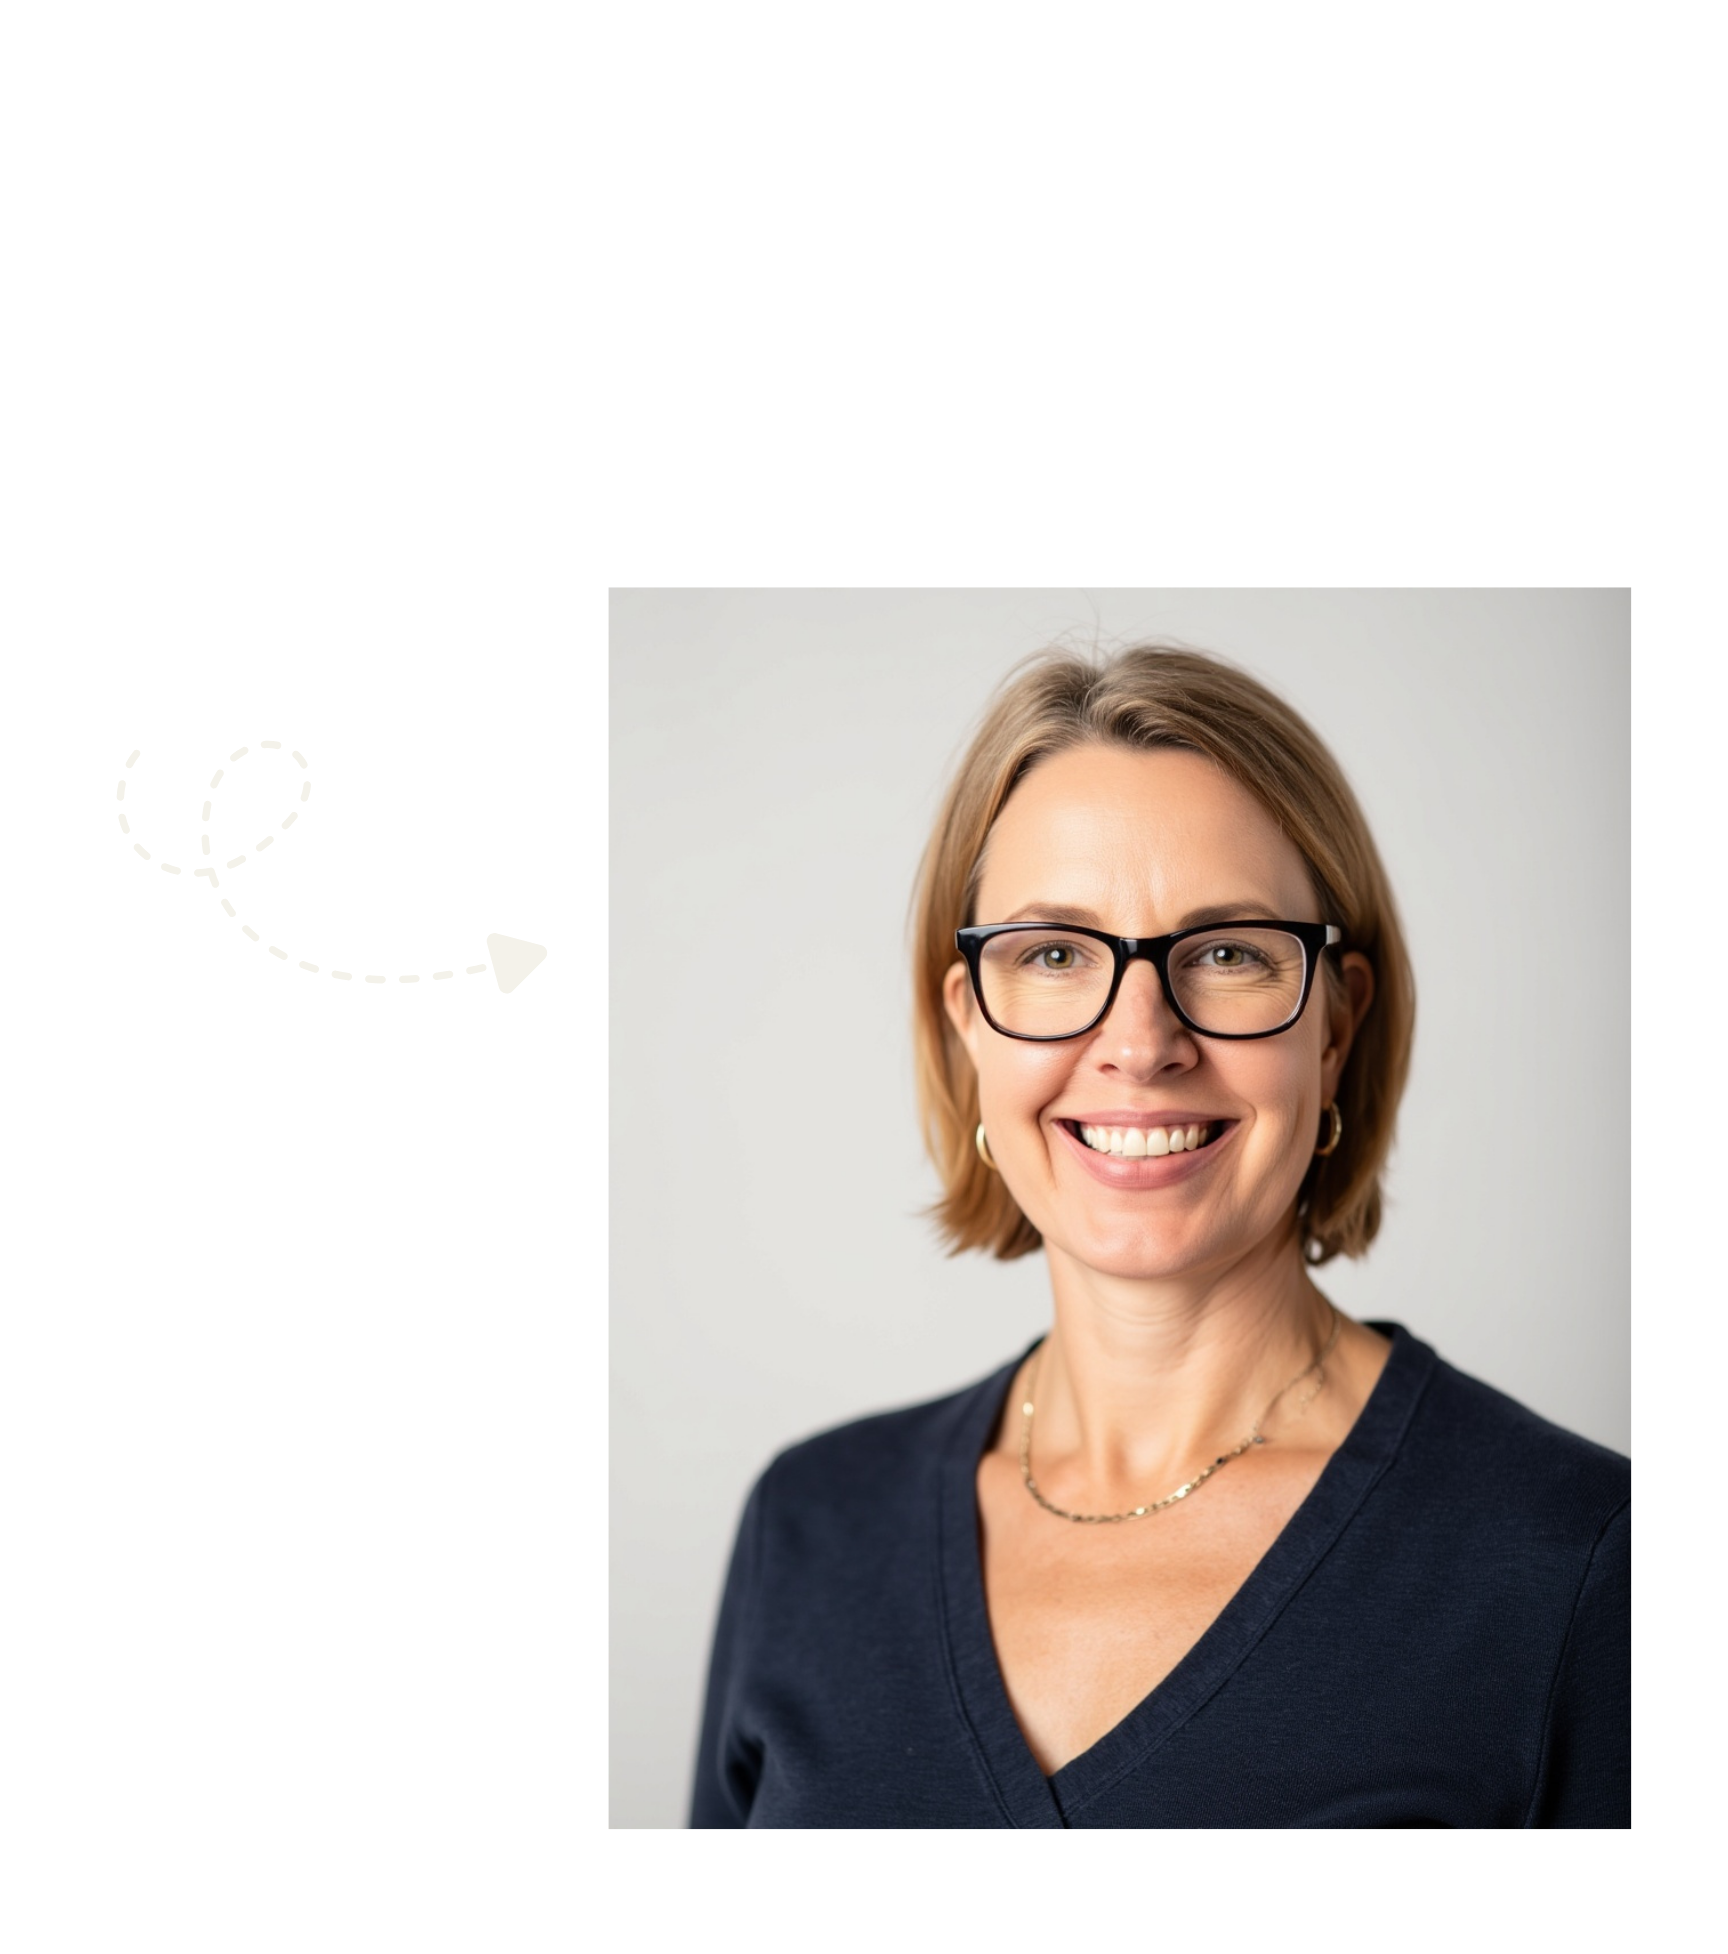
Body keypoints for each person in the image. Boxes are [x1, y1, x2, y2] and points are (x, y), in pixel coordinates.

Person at [689, 646, 1630, 1835]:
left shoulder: (1575, 1560)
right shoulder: (808, 1529)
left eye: (1228, 953)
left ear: (1336, 1024)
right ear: (969, 1023)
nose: (1140, 1044)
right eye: (1052, 954)